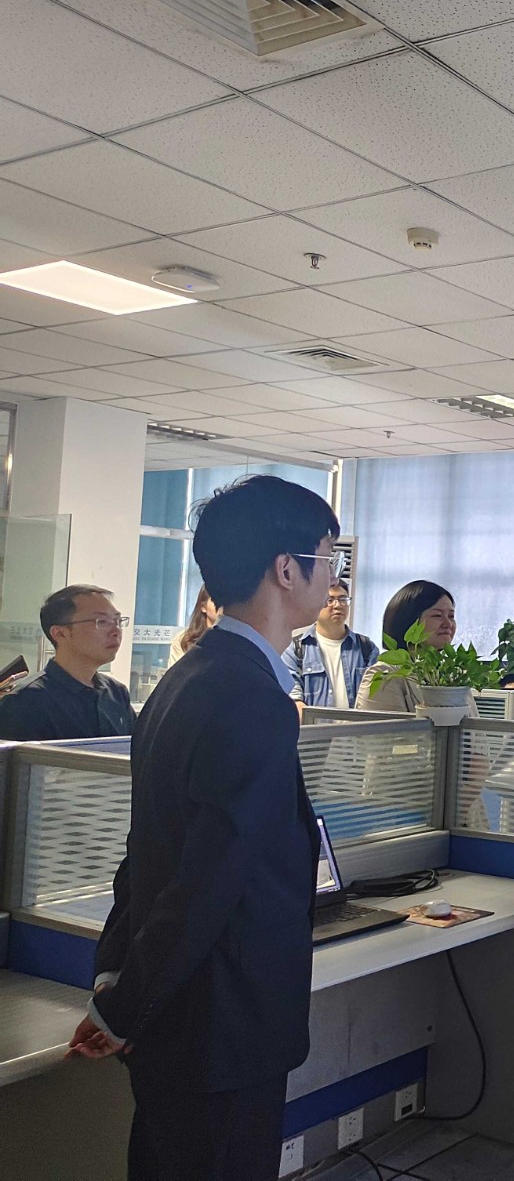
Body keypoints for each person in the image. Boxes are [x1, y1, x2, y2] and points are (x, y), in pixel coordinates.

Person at [66, 475, 339, 1181]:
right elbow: (209, 881)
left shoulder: (188, 678)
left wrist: (117, 980)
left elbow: (149, 850)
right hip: (222, 1028)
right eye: (328, 555)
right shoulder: (251, 698)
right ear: (287, 569)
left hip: (186, 1020)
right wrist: (126, 1005)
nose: (335, 575)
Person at [0, 585, 135, 742]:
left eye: (118, 621)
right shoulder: (26, 700)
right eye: (102, 621)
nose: (116, 631)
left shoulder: (116, 692)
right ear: (60, 633)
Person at [356, 580, 464, 713]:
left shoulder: (450, 674)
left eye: (451, 616)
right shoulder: (385, 674)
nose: (448, 624)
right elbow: (386, 727)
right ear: (409, 620)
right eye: (437, 615)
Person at [284, 579, 379, 711]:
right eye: (330, 599)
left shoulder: (366, 648)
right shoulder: (296, 649)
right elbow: (294, 699)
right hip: (314, 724)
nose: (337, 605)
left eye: (343, 599)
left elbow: (375, 699)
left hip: (358, 724)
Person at [168, 587, 217, 665]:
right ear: (203, 607)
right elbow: (177, 671)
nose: (222, 608)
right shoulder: (183, 639)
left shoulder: (234, 638)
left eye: (227, 603)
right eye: (216, 601)